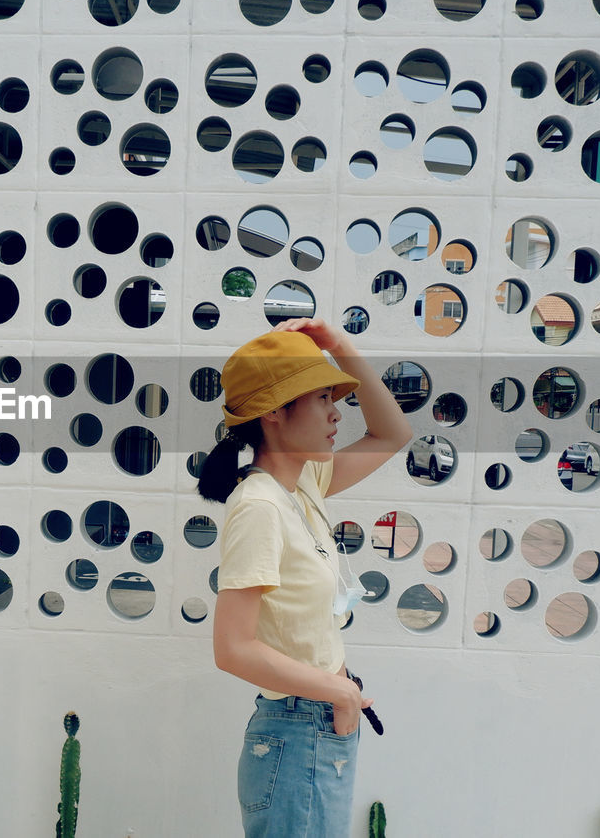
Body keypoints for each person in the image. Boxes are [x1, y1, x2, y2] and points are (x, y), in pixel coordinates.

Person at [197, 317, 412, 838]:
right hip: (299, 731)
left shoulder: (304, 484)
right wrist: (340, 694)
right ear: (275, 411)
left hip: (314, 728)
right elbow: (233, 649)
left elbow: (394, 433)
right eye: (321, 397)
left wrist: (338, 346)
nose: (337, 412)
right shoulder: (259, 507)